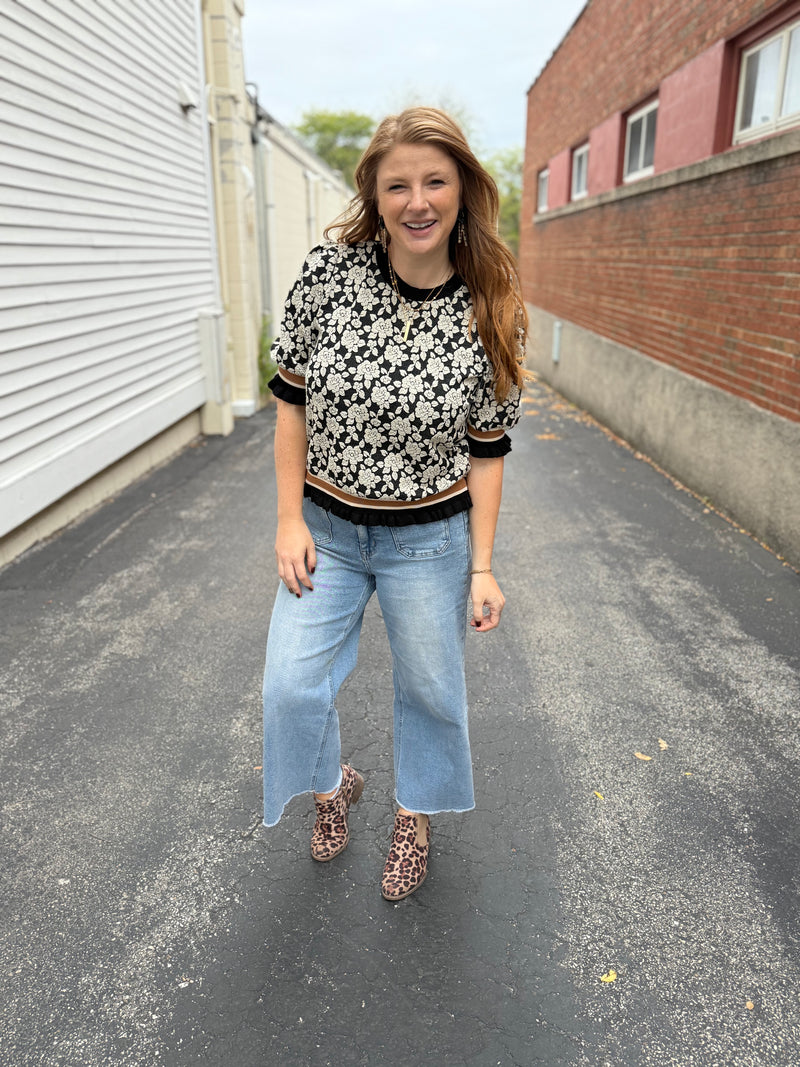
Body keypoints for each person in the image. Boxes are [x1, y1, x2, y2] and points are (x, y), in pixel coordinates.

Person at [261, 106, 527, 901]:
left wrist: (482, 566)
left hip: (431, 543)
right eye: (398, 183)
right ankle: (335, 786)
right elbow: (291, 405)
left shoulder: (493, 305)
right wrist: (287, 518)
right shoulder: (327, 277)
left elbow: (488, 449)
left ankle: (415, 816)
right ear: (375, 197)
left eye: (435, 181)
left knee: (432, 693)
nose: (418, 200)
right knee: (289, 687)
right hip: (331, 534)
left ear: (463, 192)